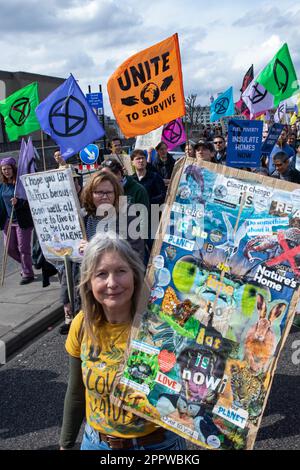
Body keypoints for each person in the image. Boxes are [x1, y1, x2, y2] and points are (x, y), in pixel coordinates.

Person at [59, 234, 186, 451]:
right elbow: (76, 391)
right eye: (101, 274)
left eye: (121, 271)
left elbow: (187, 393)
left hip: (157, 446)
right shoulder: (82, 323)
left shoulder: (160, 325)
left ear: (134, 275)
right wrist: (65, 444)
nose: (112, 283)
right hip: (96, 444)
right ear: (89, 282)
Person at [0, 157, 34, 285]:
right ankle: (27, 264)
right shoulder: (2, 185)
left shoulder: (20, 184)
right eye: (4, 169)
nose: (6, 171)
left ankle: (27, 273)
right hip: (8, 221)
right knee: (9, 248)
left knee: (23, 248)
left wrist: (18, 202)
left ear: (13, 169)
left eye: (8, 168)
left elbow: (30, 200)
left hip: (21, 221)